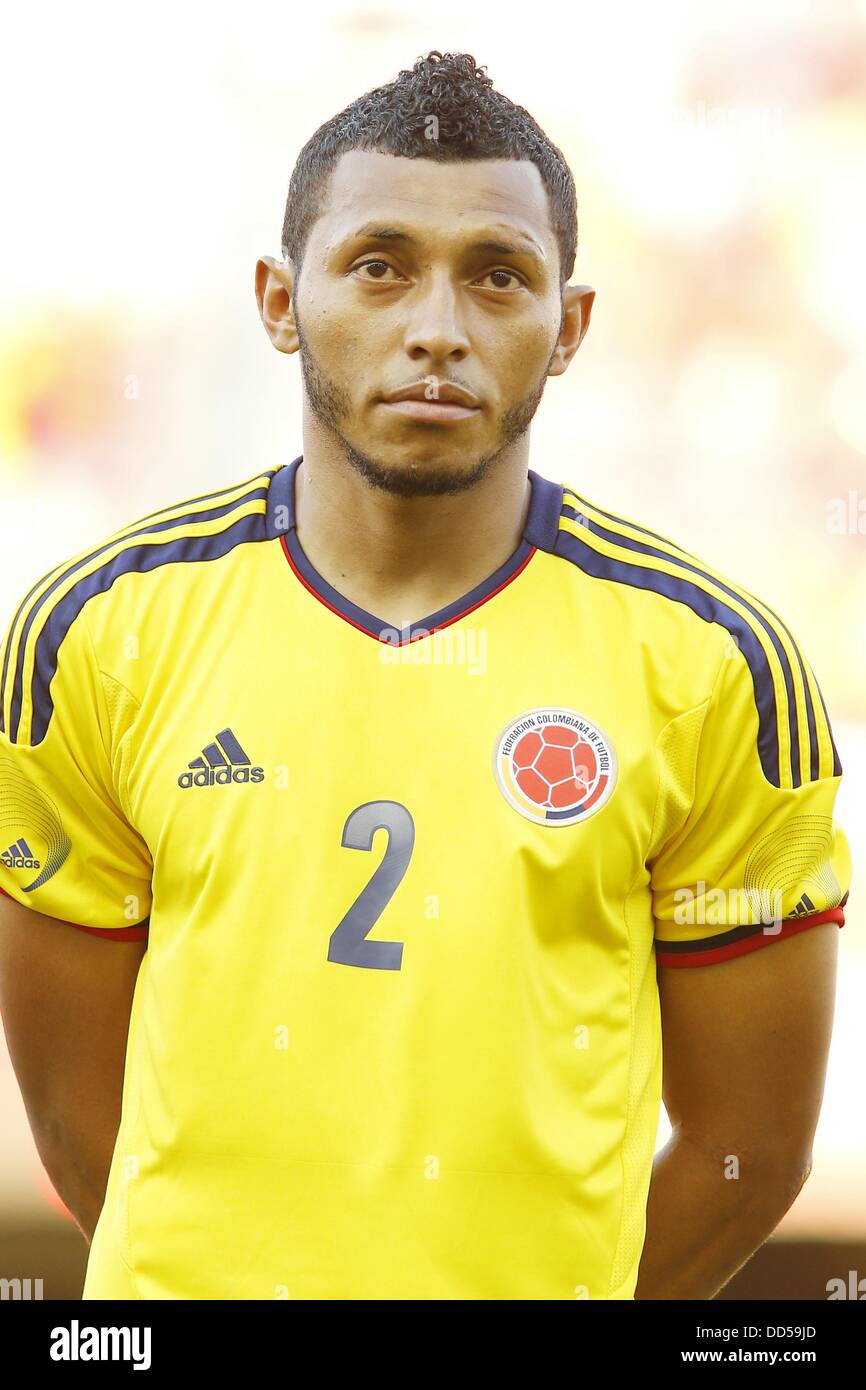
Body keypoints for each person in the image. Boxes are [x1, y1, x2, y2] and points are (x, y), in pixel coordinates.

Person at [0, 50, 851, 1301]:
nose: (436, 328)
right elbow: (80, 1128)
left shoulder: (715, 665)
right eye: (379, 264)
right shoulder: (94, 632)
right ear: (281, 301)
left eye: (497, 277)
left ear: (566, 328)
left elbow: (750, 1152)